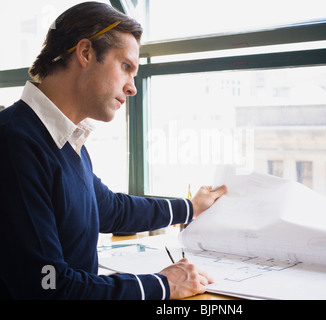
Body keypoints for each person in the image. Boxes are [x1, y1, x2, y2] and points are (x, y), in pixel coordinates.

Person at [0, 2, 226, 300]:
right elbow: (48, 284)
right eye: (126, 67)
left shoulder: (64, 141)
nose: (132, 87)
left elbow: (110, 209)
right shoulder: (16, 143)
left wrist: (190, 207)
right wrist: (164, 286)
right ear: (85, 53)